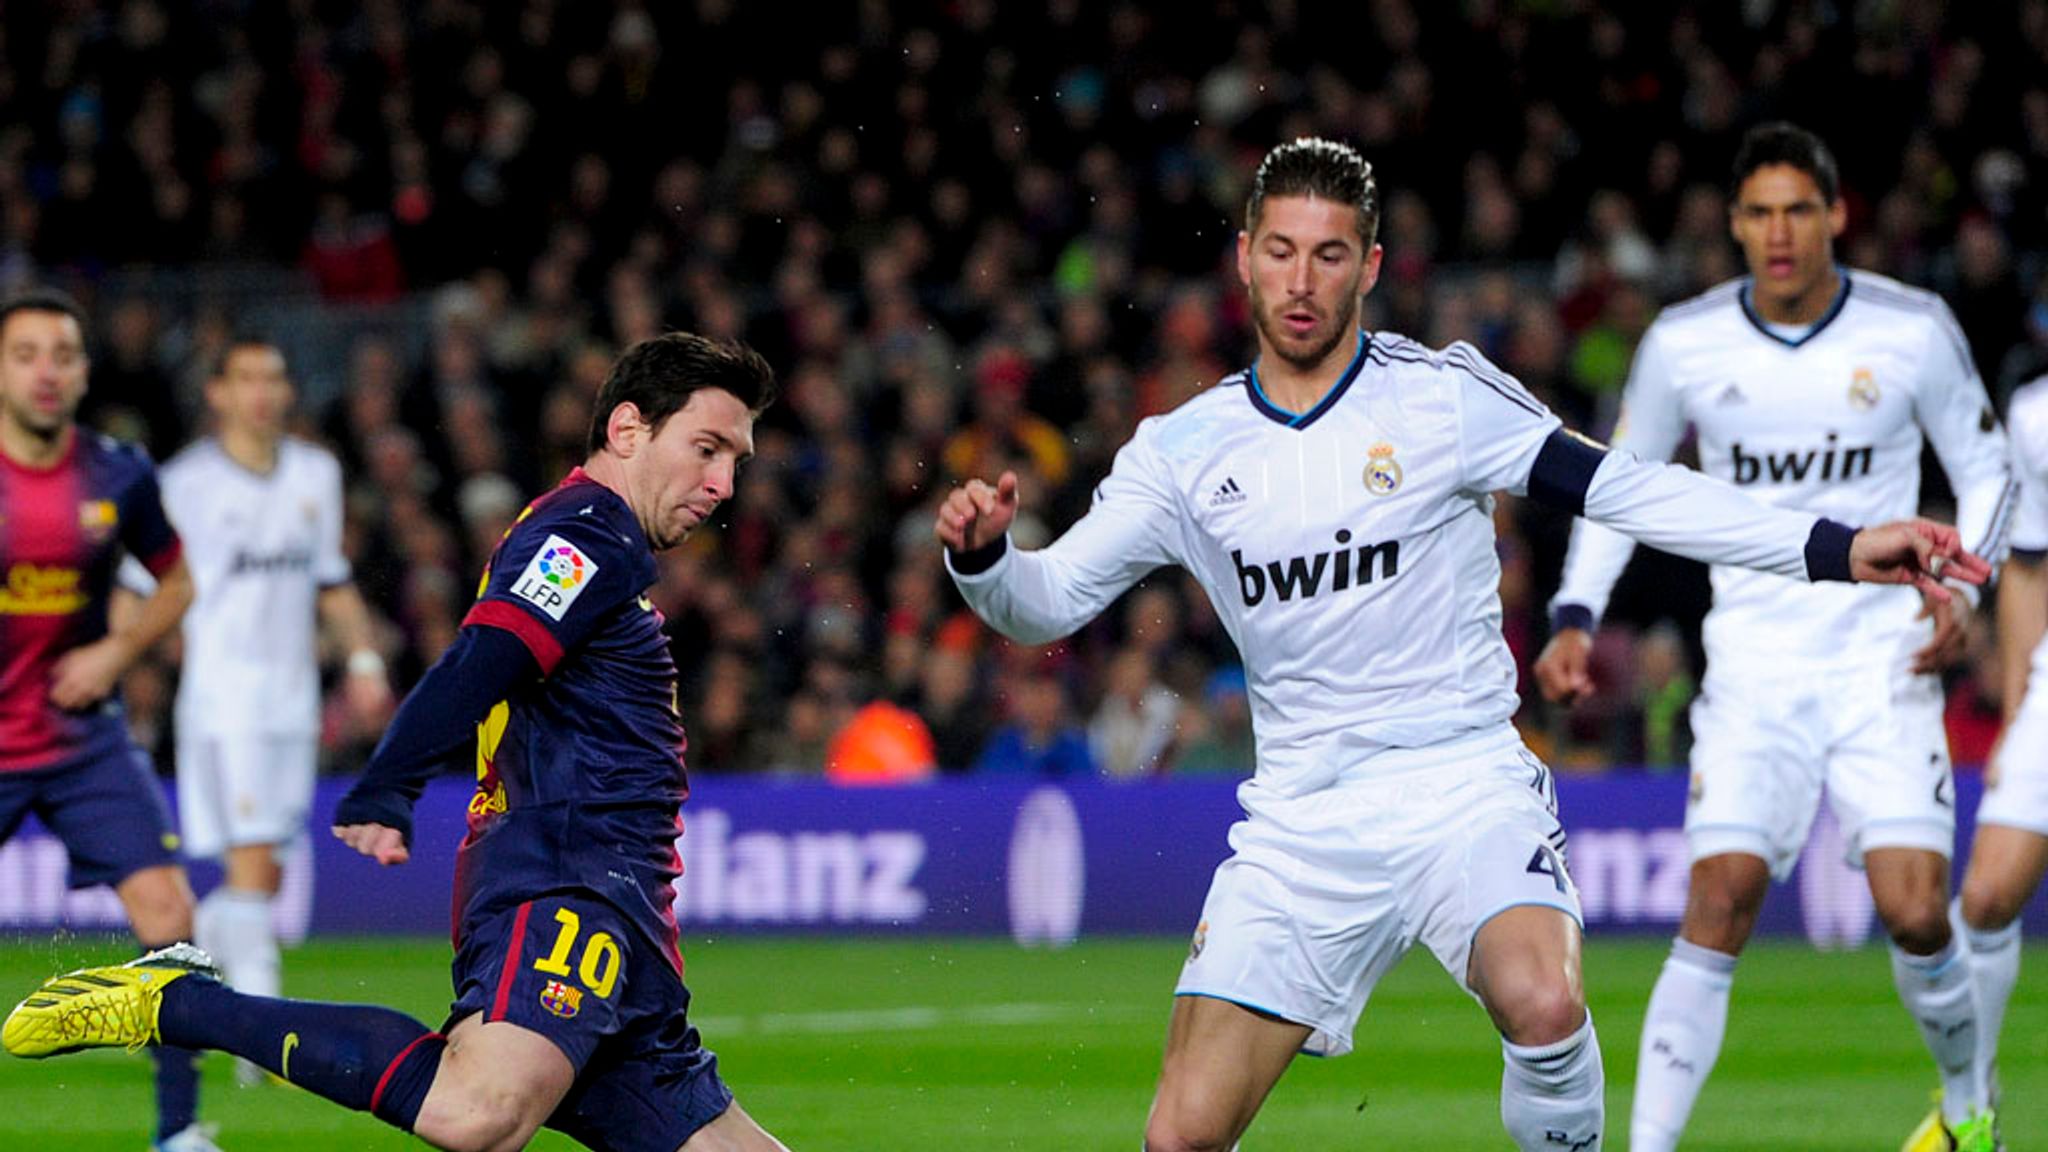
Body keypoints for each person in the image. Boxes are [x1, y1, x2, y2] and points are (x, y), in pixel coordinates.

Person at [935, 136, 1988, 1152]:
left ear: (1369, 267)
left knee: (1543, 1000)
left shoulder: (1441, 398)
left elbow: (1630, 490)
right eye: (1281, 251)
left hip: (1463, 784)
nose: (1301, 281)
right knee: (1181, 1135)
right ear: (1244, 258)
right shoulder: (1182, 450)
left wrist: (1836, 547)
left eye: (1329, 254)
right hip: (1302, 818)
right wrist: (984, 560)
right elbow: (1047, 602)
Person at [6, 332, 792, 1152]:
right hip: (568, 878)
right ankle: (180, 1004)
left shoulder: (599, 543)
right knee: (476, 1112)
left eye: (735, 461)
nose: (722, 484)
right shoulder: (584, 535)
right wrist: (390, 783)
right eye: (706, 449)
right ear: (628, 429)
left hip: (631, 910)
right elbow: (487, 654)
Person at [1532, 123, 2011, 1152]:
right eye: (1759, 213)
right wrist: (1574, 615)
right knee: (1716, 900)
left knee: (1915, 910)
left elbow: (1985, 469)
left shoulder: (1910, 329)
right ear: (1734, 225)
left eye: (1798, 209)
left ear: (1835, 214)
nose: (1779, 232)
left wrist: (1964, 588)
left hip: (1882, 658)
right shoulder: (1683, 344)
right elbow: (1619, 489)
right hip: (1751, 666)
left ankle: (1970, 1111)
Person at [0, 288, 218, 1152]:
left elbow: (178, 582)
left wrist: (115, 654)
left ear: (85, 373)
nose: (46, 372)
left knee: (170, 913)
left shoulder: (119, 472)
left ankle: (180, 1131)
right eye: (25, 355)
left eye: (62, 355)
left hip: (80, 740)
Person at [157, 338, 392, 1079]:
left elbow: (331, 579)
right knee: (254, 865)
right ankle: (257, 1045)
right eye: (246, 378)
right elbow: (146, 585)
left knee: (262, 876)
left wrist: (362, 661)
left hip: (292, 701)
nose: (262, 391)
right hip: (224, 702)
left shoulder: (315, 474)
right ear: (218, 393)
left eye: (274, 377)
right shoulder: (185, 484)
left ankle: (177, 994)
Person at [1951, 369, 2048, 1146]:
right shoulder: (2035, 414)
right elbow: (2027, 564)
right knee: (1984, 897)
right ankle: (1972, 1108)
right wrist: (2017, 712)